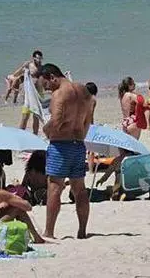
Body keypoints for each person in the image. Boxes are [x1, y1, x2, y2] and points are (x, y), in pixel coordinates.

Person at [40, 63, 95, 240]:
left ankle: (49, 231)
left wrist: (46, 130)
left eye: (46, 84)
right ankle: (82, 231)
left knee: (55, 187)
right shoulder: (84, 91)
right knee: (80, 189)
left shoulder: (59, 94)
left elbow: (56, 122)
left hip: (60, 146)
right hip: (78, 144)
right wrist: (81, 135)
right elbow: (88, 120)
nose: (46, 89)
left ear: (52, 77)